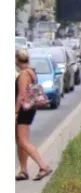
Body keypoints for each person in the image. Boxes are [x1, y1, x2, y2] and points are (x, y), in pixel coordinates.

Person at [15, 49, 52, 181]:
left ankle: (43, 166)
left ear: (17, 60)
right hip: (29, 109)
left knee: (23, 141)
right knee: (20, 141)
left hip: (23, 110)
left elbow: (21, 95)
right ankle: (23, 170)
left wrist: (15, 112)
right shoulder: (31, 71)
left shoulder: (24, 74)